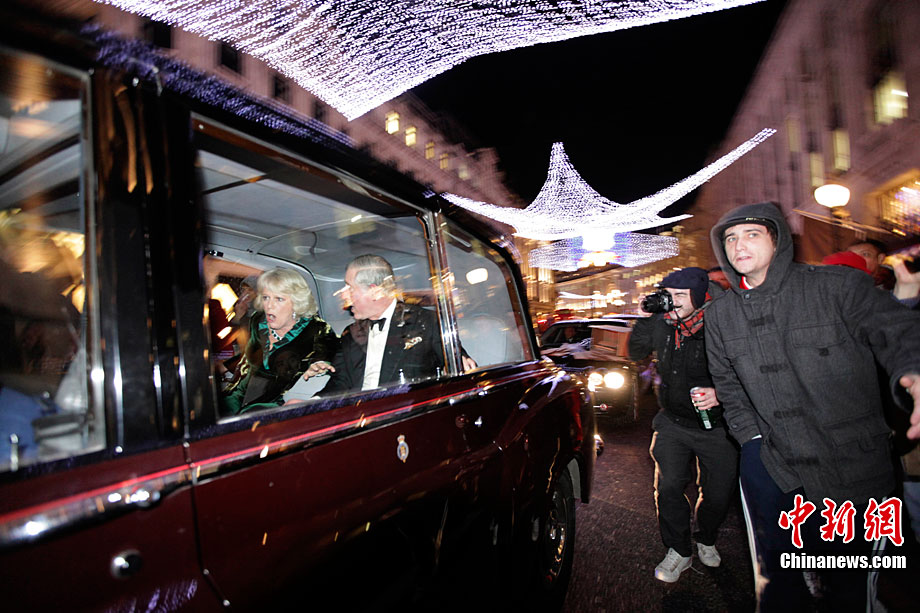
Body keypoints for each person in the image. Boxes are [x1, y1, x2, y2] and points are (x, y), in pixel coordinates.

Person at [705, 201, 920, 611]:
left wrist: (913, 369)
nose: (738, 245)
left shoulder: (837, 286)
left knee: (848, 586)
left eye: (751, 234)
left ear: (777, 240)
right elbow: (728, 385)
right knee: (777, 581)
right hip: (773, 468)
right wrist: (751, 440)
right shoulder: (720, 315)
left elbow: (895, 327)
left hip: (851, 470)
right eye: (730, 238)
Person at [628, 267, 737, 583]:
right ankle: (679, 549)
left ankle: (706, 537)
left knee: (717, 494)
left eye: (679, 296)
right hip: (673, 422)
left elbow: (748, 368)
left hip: (717, 427)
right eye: (667, 295)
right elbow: (635, 352)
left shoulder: (722, 322)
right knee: (669, 486)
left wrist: (720, 393)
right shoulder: (662, 323)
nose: (671, 302)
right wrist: (645, 318)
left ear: (699, 296)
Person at [305, 254, 475, 393]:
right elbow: (340, 383)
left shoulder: (427, 322)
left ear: (375, 291)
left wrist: (458, 364)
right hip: (357, 414)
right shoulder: (350, 333)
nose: (343, 295)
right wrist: (311, 405)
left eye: (350, 288)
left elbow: (458, 365)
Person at [222, 268, 339, 415]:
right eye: (266, 297)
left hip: (278, 404)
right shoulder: (257, 321)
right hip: (239, 395)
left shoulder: (317, 329)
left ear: (296, 303)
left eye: (279, 299)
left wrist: (319, 366)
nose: (269, 305)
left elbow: (328, 360)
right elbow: (246, 364)